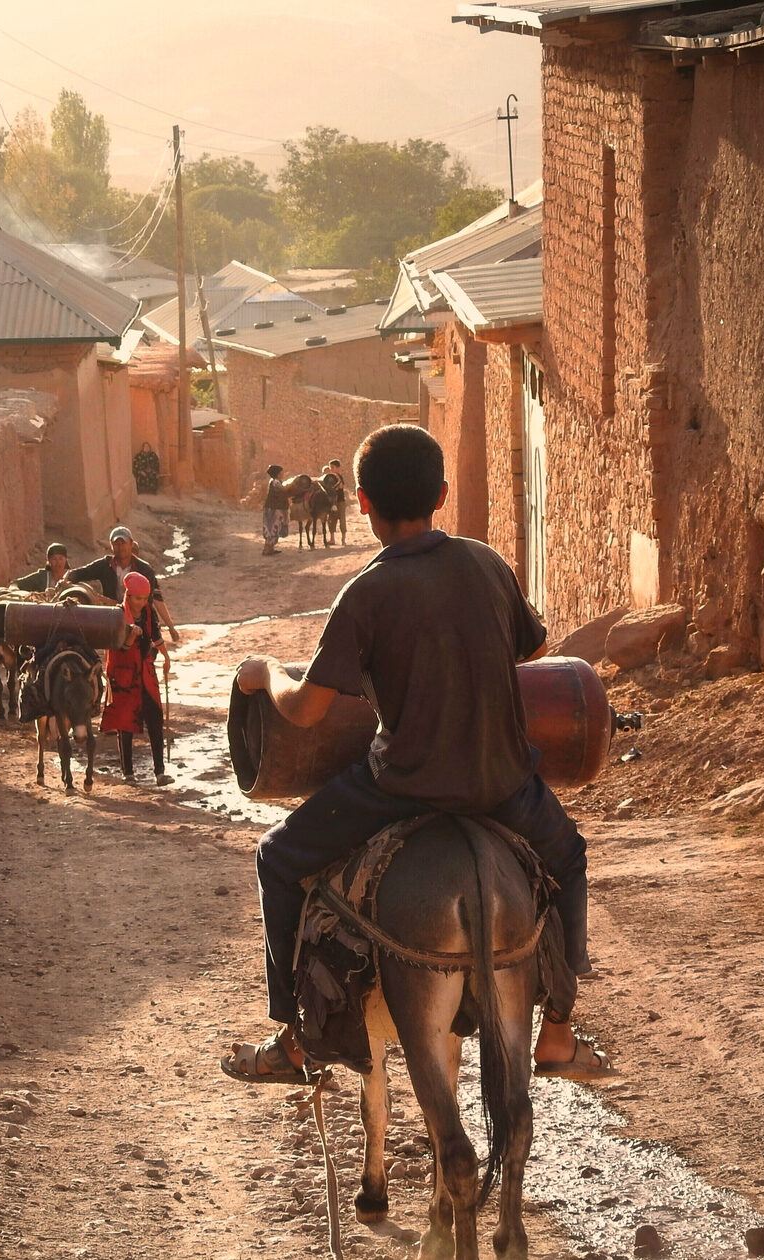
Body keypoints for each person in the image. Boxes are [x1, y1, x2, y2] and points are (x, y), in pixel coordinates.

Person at [221, 424, 609, 1085]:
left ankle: (291, 1038)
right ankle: (559, 1035)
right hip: (505, 783)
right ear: (444, 494)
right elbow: (533, 652)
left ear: (363, 504)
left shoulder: (366, 593)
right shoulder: (487, 563)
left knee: (277, 858)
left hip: (404, 786)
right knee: (568, 857)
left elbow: (309, 710)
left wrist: (266, 674)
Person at [102, 572, 173, 786]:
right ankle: (128, 772)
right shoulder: (117, 615)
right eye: (138, 599)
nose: (141, 603)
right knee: (125, 722)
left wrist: (166, 656)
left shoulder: (149, 612)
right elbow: (114, 647)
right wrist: (130, 637)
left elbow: (156, 636)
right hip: (123, 674)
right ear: (129, 596)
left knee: (155, 718)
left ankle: (159, 772)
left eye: (144, 599)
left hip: (145, 672)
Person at [68, 526, 181, 642]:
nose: (120, 547)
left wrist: (170, 627)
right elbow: (82, 573)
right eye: (116, 544)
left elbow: (152, 600)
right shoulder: (104, 565)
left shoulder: (145, 570)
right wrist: (67, 578)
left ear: (131, 544)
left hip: (139, 623)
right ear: (111, 546)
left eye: (123, 543)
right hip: (113, 621)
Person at [260, 464, 290, 555]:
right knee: (272, 528)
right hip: (273, 509)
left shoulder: (274, 481)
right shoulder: (276, 482)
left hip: (273, 508)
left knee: (273, 528)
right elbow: (284, 490)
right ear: (278, 474)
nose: (283, 474)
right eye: (281, 472)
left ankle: (270, 549)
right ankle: (266, 550)